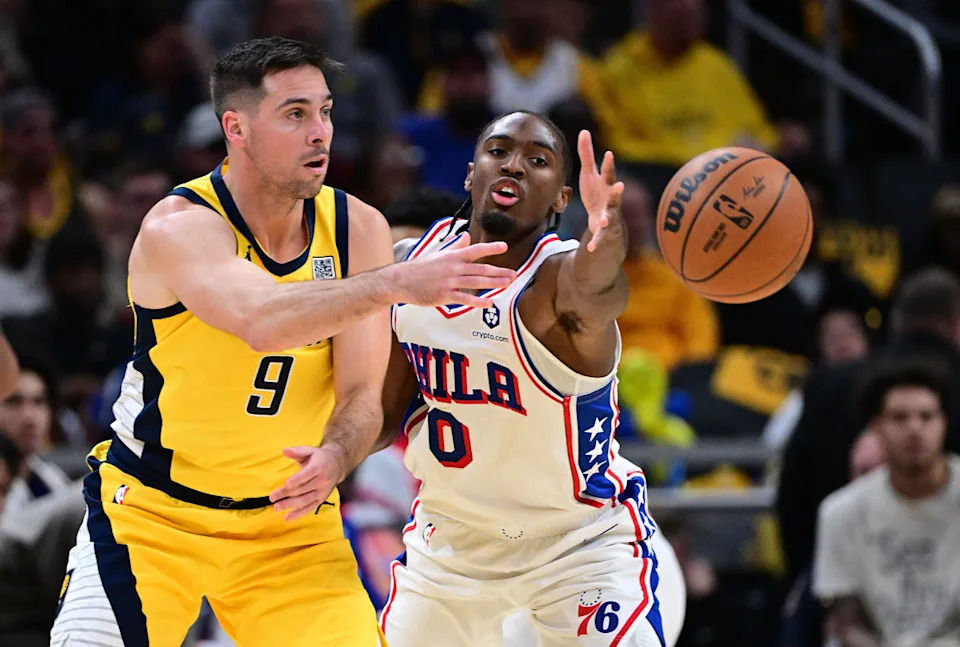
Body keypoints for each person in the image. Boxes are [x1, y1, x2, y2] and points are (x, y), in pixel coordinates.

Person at [50, 36, 515, 647]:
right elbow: (262, 320)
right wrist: (399, 282)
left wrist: (337, 456)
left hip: (288, 529)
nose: (320, 131)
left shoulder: (357, 229)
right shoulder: (181, 226)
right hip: (152, 516)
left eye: (324, 111)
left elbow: (359, 397)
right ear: (235, 128)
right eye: (295, 114)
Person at [377, 110, 667, 646]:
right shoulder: (407, 266)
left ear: (561, 198)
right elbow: (382, 413)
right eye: (499, 151)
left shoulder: (556, 282)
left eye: (538, 161)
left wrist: (605, 232)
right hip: (452, 544)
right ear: (471, 174)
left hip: (576, 545)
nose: (514, 165)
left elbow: (600, 289)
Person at [813, 358, 960, 646]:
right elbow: (846, 621)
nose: (915, 429)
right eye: (900, 417)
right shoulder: (841, 512)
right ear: (876, 426)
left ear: (944, 423)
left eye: (927, 416)